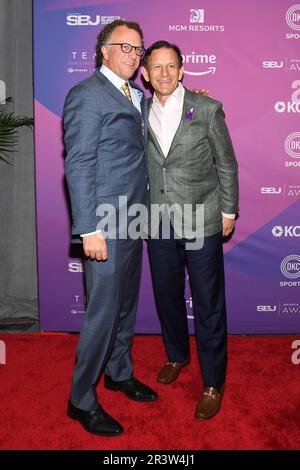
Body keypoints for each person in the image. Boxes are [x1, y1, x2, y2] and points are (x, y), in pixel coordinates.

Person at [63, 20, 158, 437]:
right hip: (104, 224)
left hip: (135, 220)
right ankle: (80, 399)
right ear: (103, 50)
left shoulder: (137, 94)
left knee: (124, 308)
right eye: (125, 47)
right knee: (102, 314)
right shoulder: (86, 95)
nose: (134, 55)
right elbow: (79, 163)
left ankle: (118, 373)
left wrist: (195, 103)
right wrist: (88, 229)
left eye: (138, 49)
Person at [141, 41, 239, 420]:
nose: (164, 73)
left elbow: (226, 164)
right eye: (156, 67)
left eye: (171, 66)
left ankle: (214, 381)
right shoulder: (138, 109)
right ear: (145, 74)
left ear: (182, 70)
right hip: (157, 221)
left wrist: (228, 210)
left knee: (208, 303)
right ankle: (176, 356)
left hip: (202, 219)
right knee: (167, 296)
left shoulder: (208, 109)